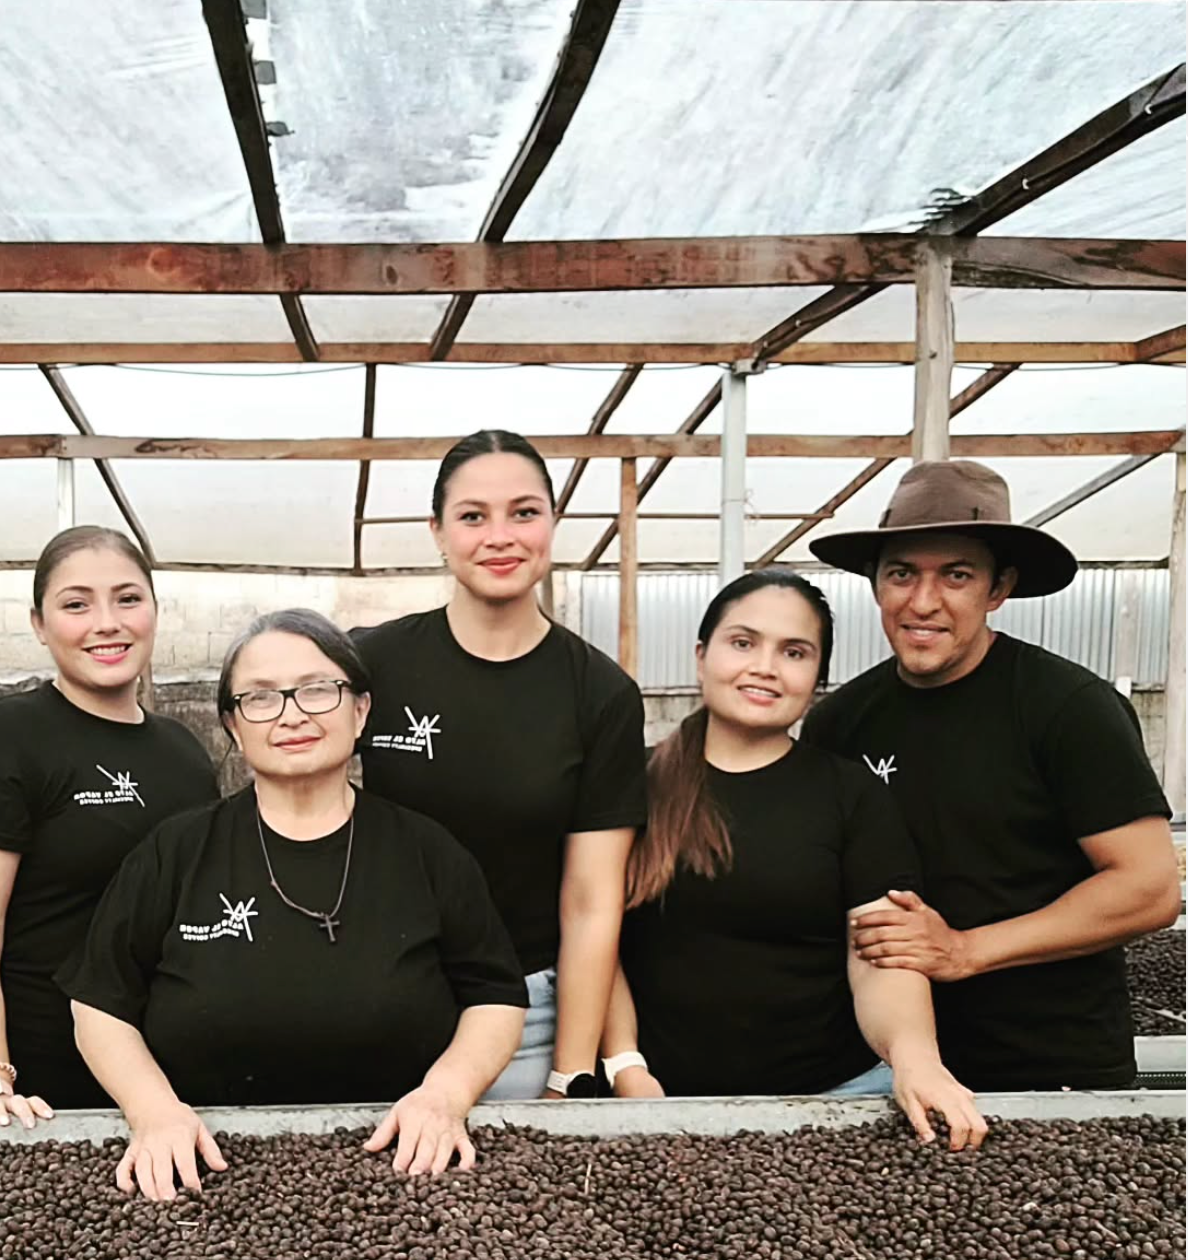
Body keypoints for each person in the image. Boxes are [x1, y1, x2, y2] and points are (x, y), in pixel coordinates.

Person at [57, 609, 529, 1201]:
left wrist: (446, 1096)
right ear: (232, 725)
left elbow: (496, 997)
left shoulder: (428, 851)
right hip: (202, 1169)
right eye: (259, 698)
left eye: (317, 690)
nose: (291, 714)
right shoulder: (176, 850)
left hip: (403, 1166)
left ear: (359, 710)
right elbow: (100, 1003)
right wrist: (154, 1112)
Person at [802, 459, 1179, 1091]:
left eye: (956, 575)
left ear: (997, 588)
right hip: (881, 1069)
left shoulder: (1066, 708)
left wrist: (964, 950)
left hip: (1051, 1068)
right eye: (901, 574)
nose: (923, 602)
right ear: (875, 585)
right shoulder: (841, 722)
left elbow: (1149, 889)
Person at [600, 569, 985, 1148]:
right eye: (743, 642)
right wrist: (626, 1067)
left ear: (817, 679)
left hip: (836, 1102)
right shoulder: (632, 784)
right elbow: (594, 939)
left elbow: (881, 952)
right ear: (702, 655)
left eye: (794, 652)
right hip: (656, 1102)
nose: (765, 666)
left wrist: (915, 1056)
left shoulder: (852, 796)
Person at [352, 430, 646, 1101]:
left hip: (528, 1009)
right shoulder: (375, 665)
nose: (500, 536)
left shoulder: (599, 693)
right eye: (473, 516)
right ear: (437, 531)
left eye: (524, 512)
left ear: (553, 522)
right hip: (379, 993)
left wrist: (569, 1073)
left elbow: (592, 899)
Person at [0, 527, 218, 1124]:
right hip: (23, 1077)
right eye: (77, 604)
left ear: (155, 610)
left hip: (141, 1080)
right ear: (39, 623)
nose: (107, 622)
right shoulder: (6, 738)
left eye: (128, 599)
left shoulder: (186, 753)